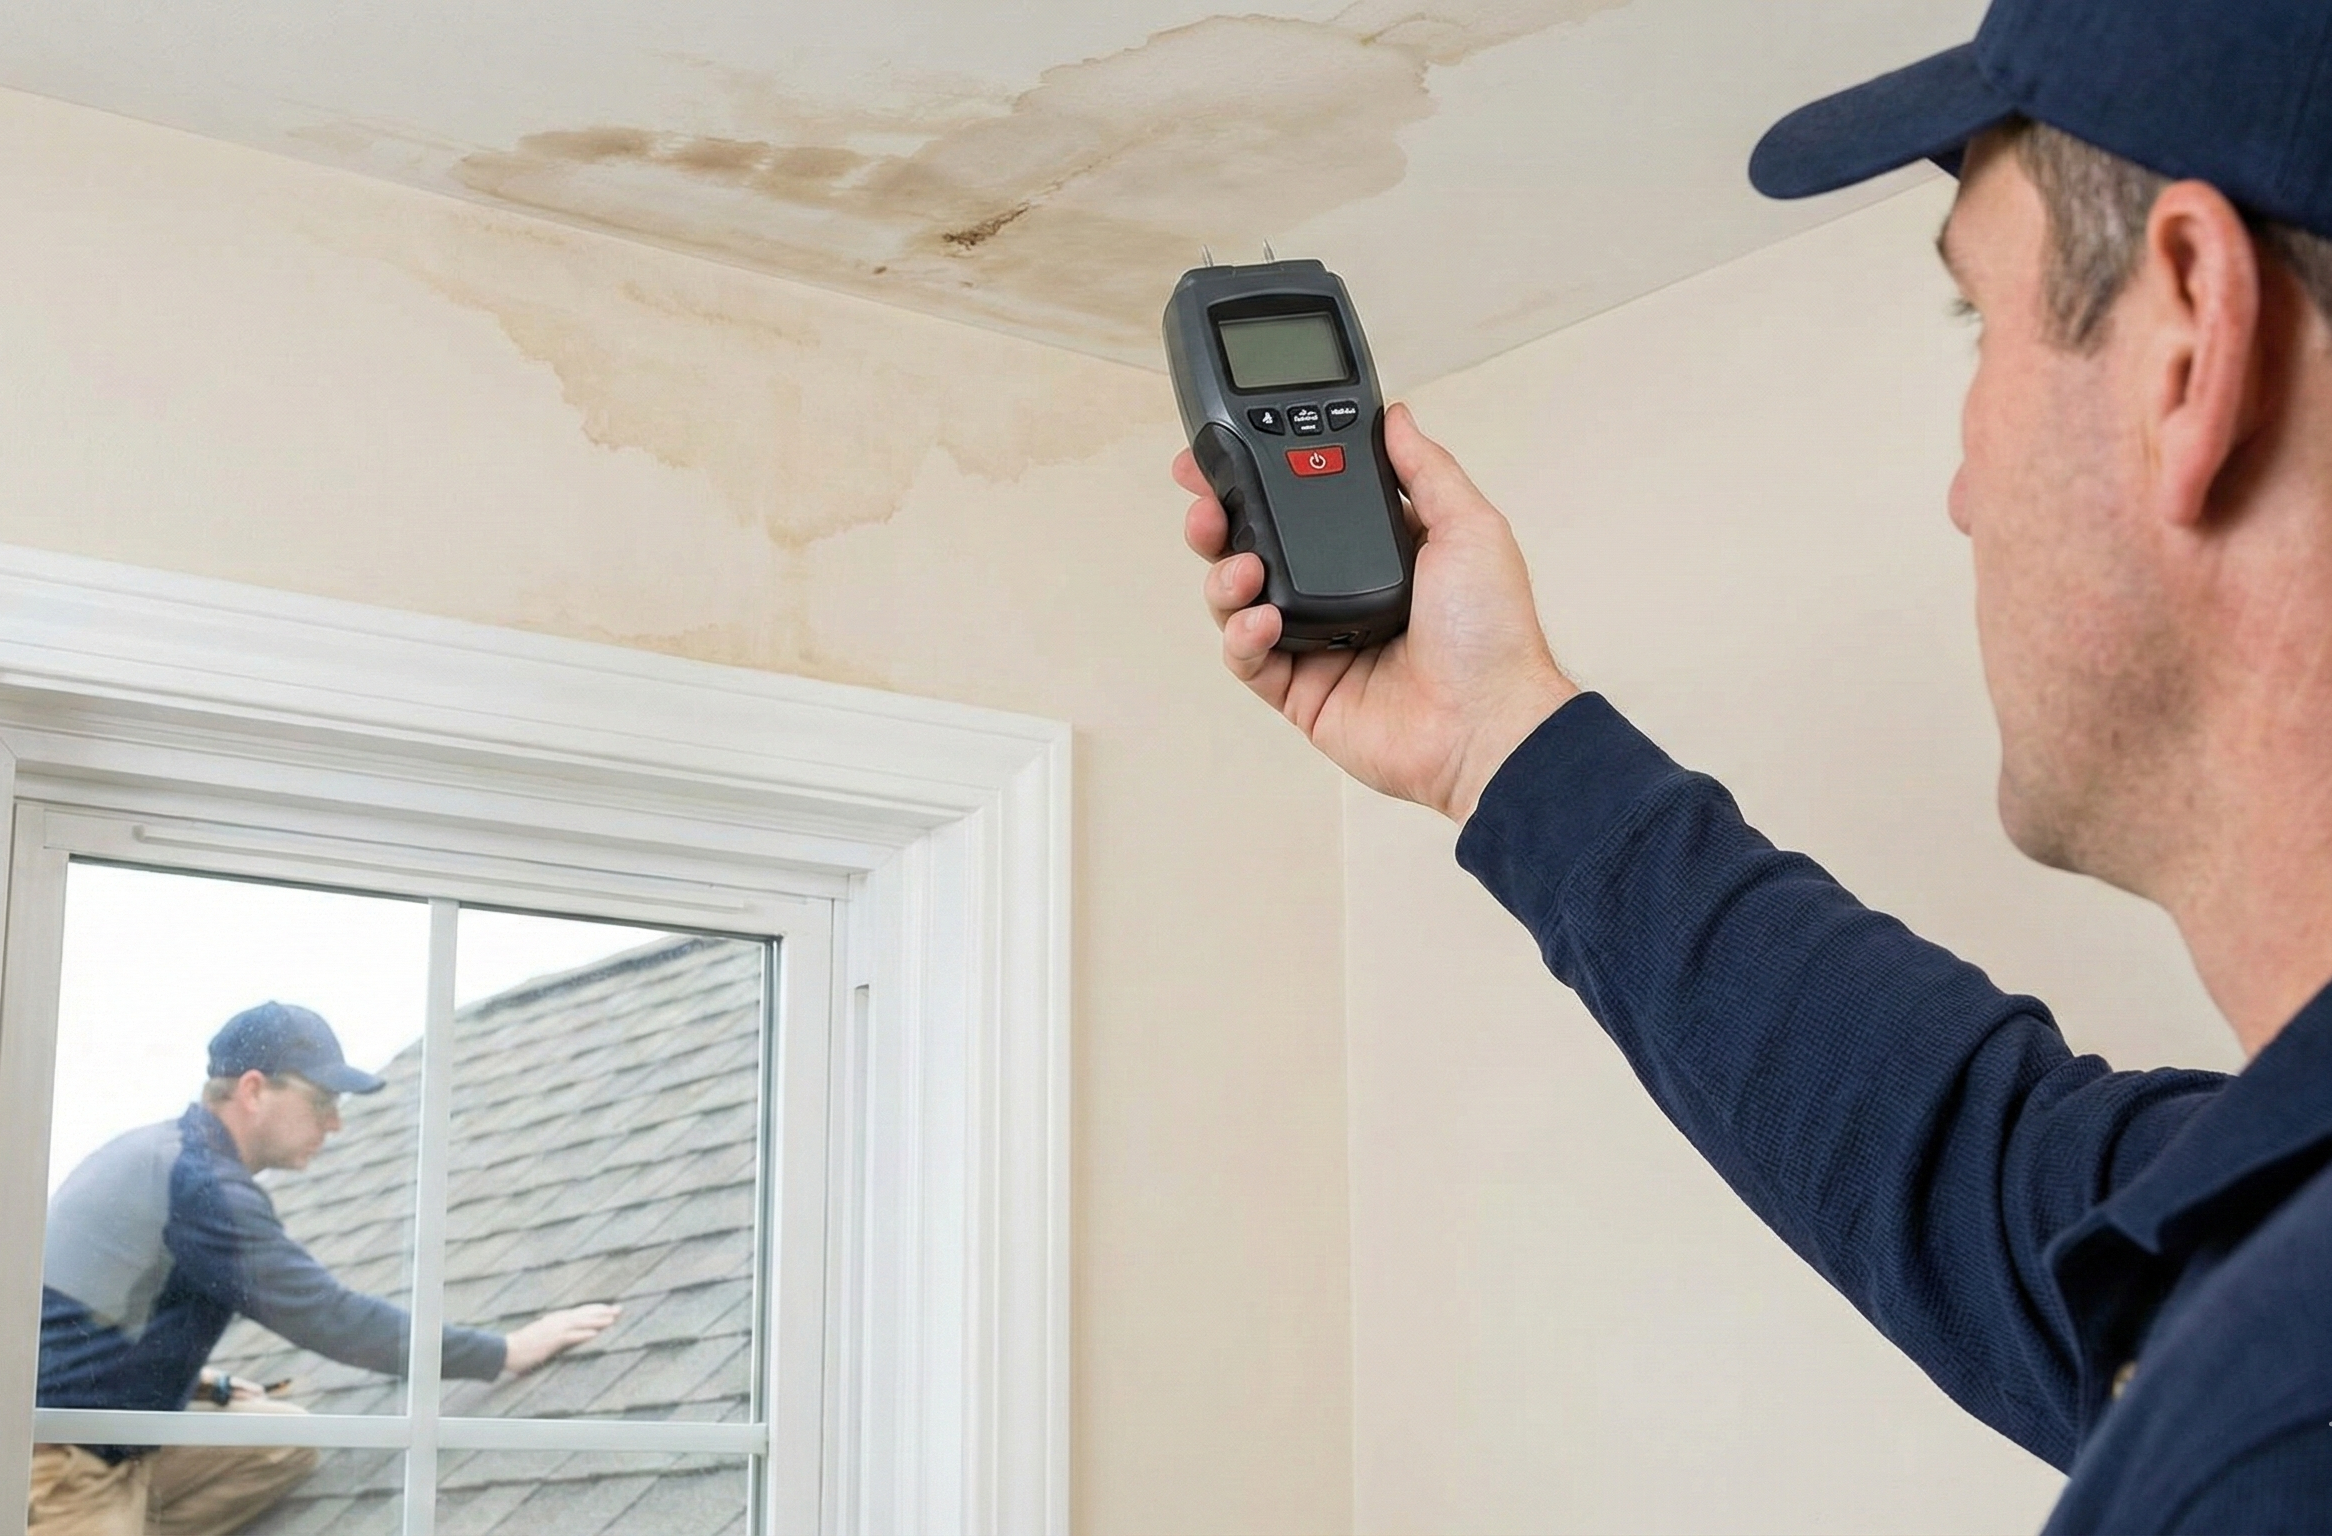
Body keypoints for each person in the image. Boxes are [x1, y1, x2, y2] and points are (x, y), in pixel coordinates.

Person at [1181, 0, 2332, 1529]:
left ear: (2189, 339)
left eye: (1980, 323)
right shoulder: (2265, 1268)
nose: (1962, 491)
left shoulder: (2279, 1430)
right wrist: (1497, 742)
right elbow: (1997, 1184)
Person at [29, 1002, 621, 1536]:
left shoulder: (158, 1151)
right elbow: (330, 1318)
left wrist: (200, 1379)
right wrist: (504, 1351)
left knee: (280, 1441)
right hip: (62, 1455)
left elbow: (92, 1306)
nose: (335, 1124)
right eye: (322, 1102)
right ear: (255, 1090)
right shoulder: (202, 1185)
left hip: (112, 1424)